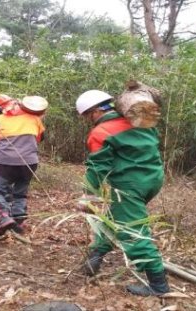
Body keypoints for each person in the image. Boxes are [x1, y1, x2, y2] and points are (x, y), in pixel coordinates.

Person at [75, 90, 170, 296]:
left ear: (96, 112)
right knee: (114, 218)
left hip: (129, 185)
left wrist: (88, 196)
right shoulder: (142, 123)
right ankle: (95, 257)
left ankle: (158, 285)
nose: (87, 121)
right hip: (152, 180)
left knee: (131, 231)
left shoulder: (101, 132)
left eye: (87, 116)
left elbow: (97, 168)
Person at [0, 96, 48, 237]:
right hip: (30, 162)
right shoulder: (35, 119)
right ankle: (19, 221)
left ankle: (4, 217)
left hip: (5, 162)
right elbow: (40, 137)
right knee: (20, 191)